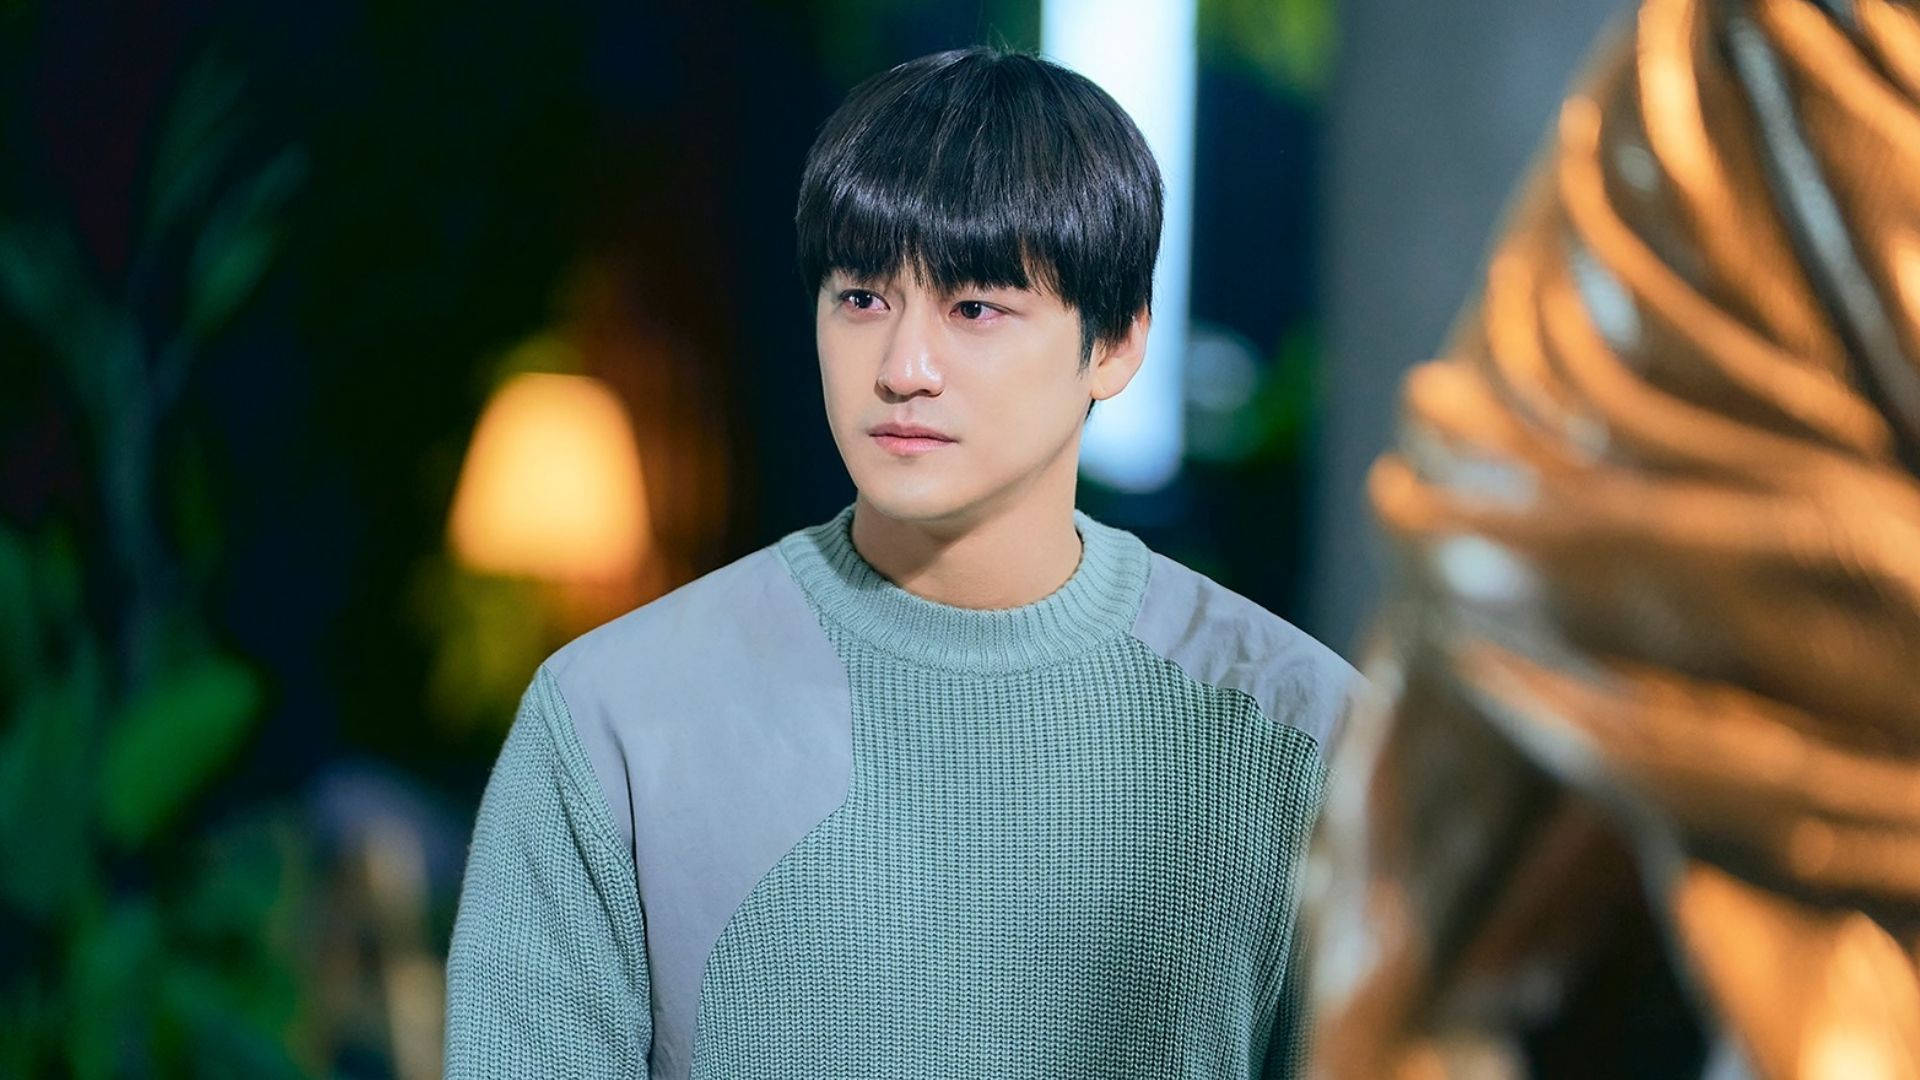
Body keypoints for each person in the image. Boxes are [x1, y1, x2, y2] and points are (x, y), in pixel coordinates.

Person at [444, 44, 1359, 1080]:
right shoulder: (613, 716)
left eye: (975, 309)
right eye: (863, 299)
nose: (903, 369)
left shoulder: (1298, 732)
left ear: (1116, 343)